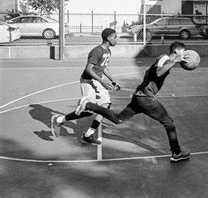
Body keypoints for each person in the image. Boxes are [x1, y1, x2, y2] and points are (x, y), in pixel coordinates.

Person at [53, 41, 191, 163]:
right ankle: (176, 153)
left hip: (139, 96)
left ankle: (89, 105)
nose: (185, 55)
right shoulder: (166, 59)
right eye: (183, 52)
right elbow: (158, 73)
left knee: (118, 119)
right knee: (169, 122)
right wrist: (175, 61)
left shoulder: (163, 58)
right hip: (146, 99)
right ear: (177, 51)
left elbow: (151, 72)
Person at [50, 28, 120, 145]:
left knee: (105, 106)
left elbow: (103, 67)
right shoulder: (97, 51)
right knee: (88, 110)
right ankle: (59, 120)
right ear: (108, 38)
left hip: (97, 81)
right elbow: (88, 69)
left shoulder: (108, 51)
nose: (117, 40)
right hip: (88, 81)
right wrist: (102, 81)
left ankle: (88, 134)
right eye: (115, 37)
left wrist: (113, 80)